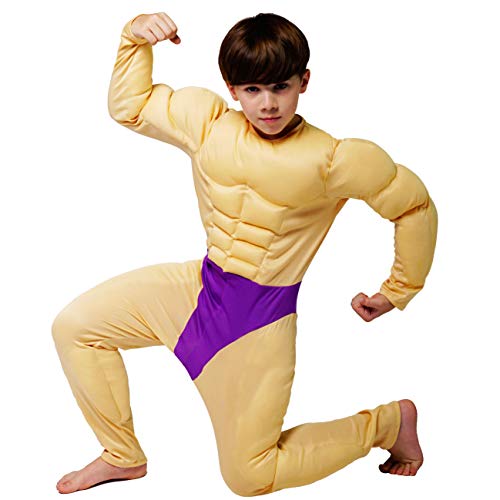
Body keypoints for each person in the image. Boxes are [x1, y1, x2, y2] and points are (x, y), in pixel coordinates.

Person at [52, 11, 437, 496]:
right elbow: (130, 106)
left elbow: (414, 206)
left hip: (257, 322)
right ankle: (121, 456)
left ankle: (386, 425)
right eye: (253, 89)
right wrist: (135, 37)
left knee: (250, 476)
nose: (268, 104)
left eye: (280, 87)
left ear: (304, 82)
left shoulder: (334, 159)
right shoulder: (208, 124)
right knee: (76, 327)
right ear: (232, 89)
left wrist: (397, 290)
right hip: (199, 289)